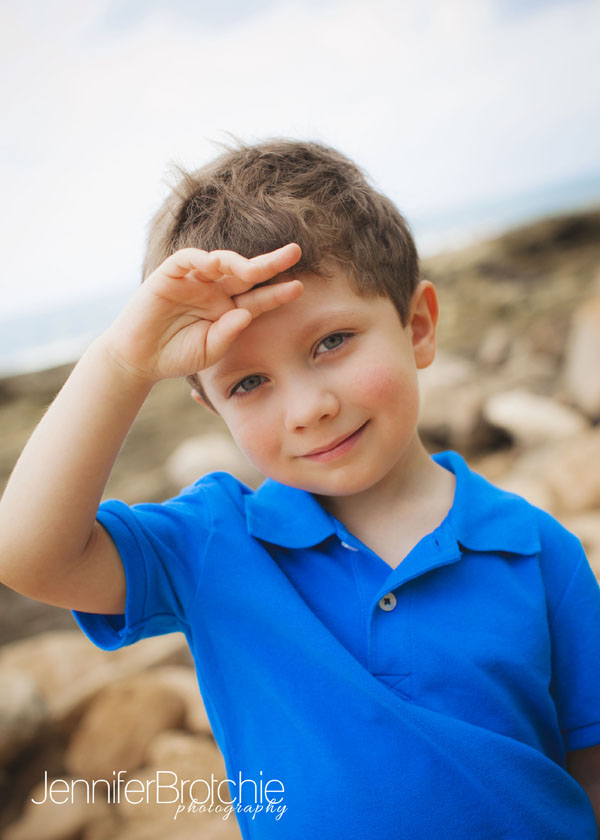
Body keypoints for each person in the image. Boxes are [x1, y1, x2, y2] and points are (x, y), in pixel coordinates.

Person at [0, 139, 599, 839]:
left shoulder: (535, 550)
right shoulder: (212, 546)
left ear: (418, 327)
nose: (307, 407)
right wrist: (121, 362)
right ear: (211, 408)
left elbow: (589, 768)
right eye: (248, 383)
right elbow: (27, 554)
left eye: (331, 342)